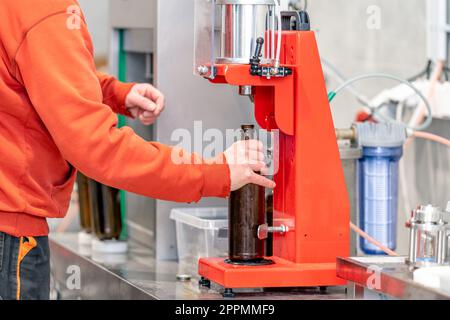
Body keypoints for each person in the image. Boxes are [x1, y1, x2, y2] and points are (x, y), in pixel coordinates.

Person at [0, 0, 275, 300]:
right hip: (9, 236)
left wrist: (114, 93)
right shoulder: (43, 9)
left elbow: (29, 71)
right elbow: (98, 148)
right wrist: (216, 172)